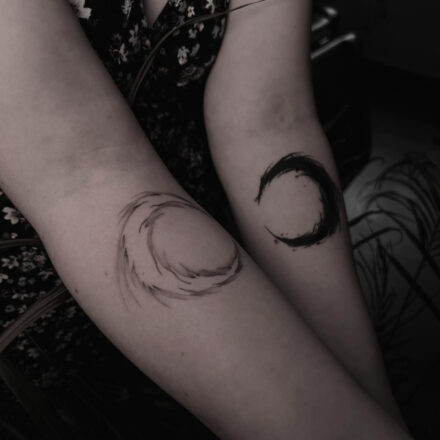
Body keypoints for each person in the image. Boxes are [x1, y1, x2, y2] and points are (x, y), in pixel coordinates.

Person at [0, 0, 412, 438]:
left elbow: (272, 123)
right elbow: (89, 177)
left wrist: (373, 405)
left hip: (211, 298)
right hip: (35, 349)